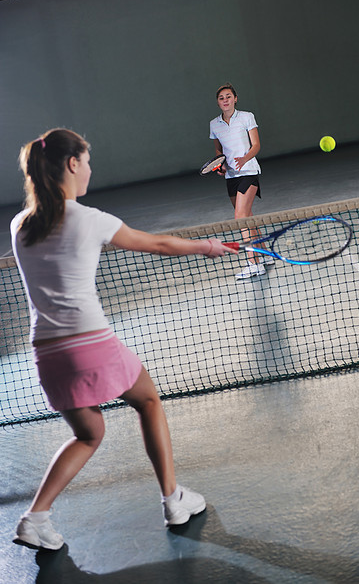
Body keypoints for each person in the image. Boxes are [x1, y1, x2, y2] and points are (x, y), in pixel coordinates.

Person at [10, 128, 235, 551]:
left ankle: (35, 518)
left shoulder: (19, 224)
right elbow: (158, 243)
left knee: (90, 433)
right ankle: (173, 500)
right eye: (87, 161)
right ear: (72, 164)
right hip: (90, 342)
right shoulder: (90, 219)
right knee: (148, 400)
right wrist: (208, 247)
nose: (90, 169)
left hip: (46, 353)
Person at [209, 83, 274, 279]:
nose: (225, 100)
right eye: (221, 98)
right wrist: (220, 165)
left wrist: (245, 159)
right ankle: (265, 255)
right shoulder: (214, 124)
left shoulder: (247, 117)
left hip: (249, 171)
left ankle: (254, 264)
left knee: (240, 217)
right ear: (218, 102)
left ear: (235, 99)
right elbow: (218, 151)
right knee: (248, 216)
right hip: (231, 176)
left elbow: (256, 145)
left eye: (228, 96)